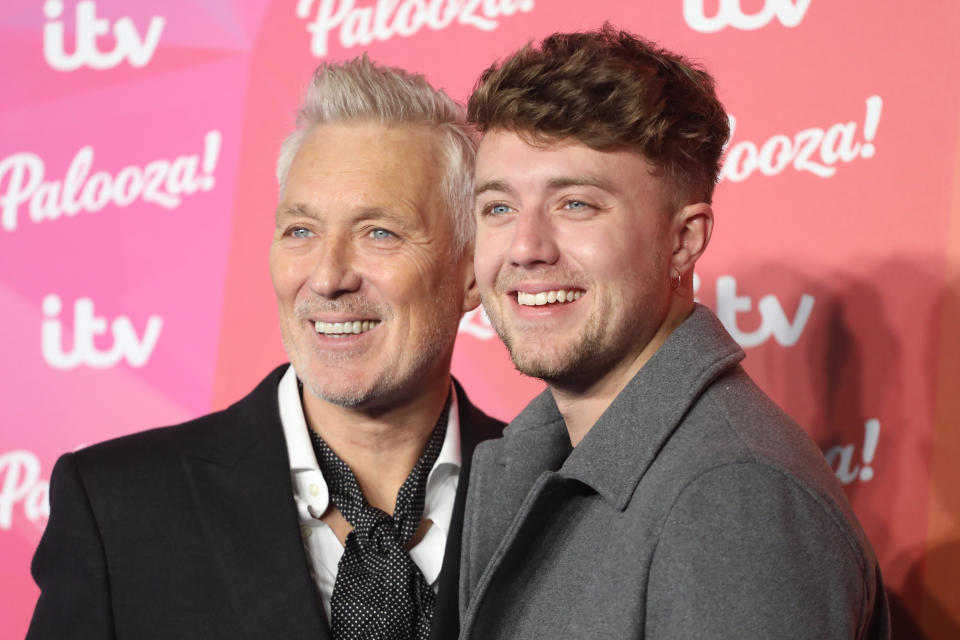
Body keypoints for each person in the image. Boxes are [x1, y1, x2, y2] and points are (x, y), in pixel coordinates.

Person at [27, 57, 502, 640]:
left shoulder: (558, 491)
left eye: (380, 232)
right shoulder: (116, 507)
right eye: (300, 231)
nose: (328, 277)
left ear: (472, 272)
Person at [458, 26, 889, 639]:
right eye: (498, 208)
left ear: (683, 240)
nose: (525, 247)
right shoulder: (532, 454)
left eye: (575, 204)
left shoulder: (735, 500)